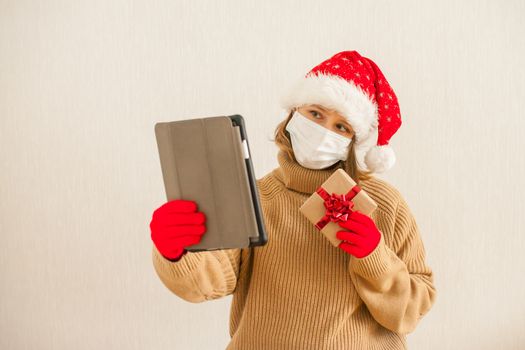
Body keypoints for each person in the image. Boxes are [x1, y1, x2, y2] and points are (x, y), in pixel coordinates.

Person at [149, 50, 437, 349]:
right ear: (292, 115)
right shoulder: (256, 197)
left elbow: (412, 311)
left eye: (342, 126)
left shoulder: (385, 205)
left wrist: (375, 257)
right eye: (315, 114)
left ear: (354, 142)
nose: (324, 130)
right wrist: (178, 252)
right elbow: (208, 283)